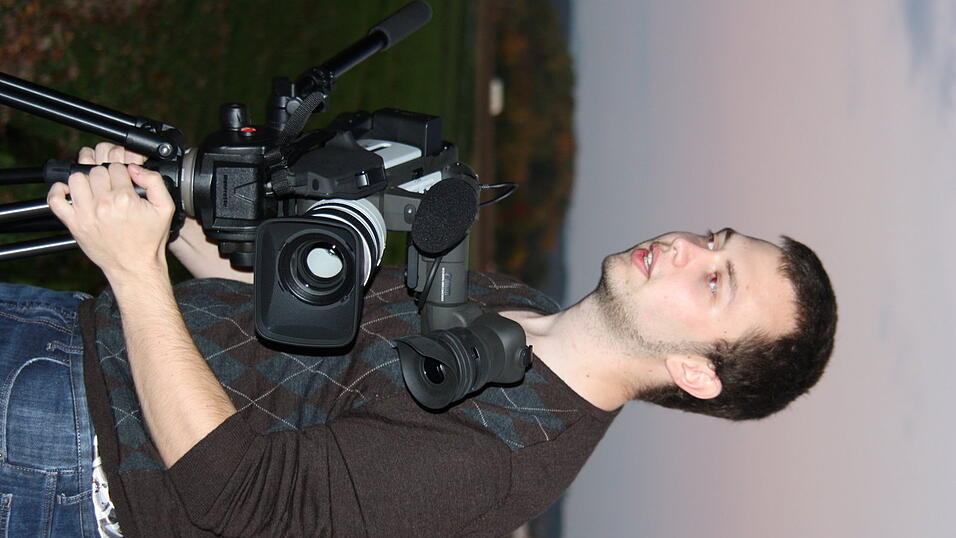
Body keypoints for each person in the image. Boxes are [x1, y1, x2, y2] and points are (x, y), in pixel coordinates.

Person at [0, 142, 836, 537]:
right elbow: (304, 351)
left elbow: (244, 493)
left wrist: (136, 272)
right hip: (77, 337)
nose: (689, 247)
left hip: (68, 457)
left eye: (714, 281)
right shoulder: (518, 300)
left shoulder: (497, 464)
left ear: (694, 372)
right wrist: (179, 236)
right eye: (718, 238)